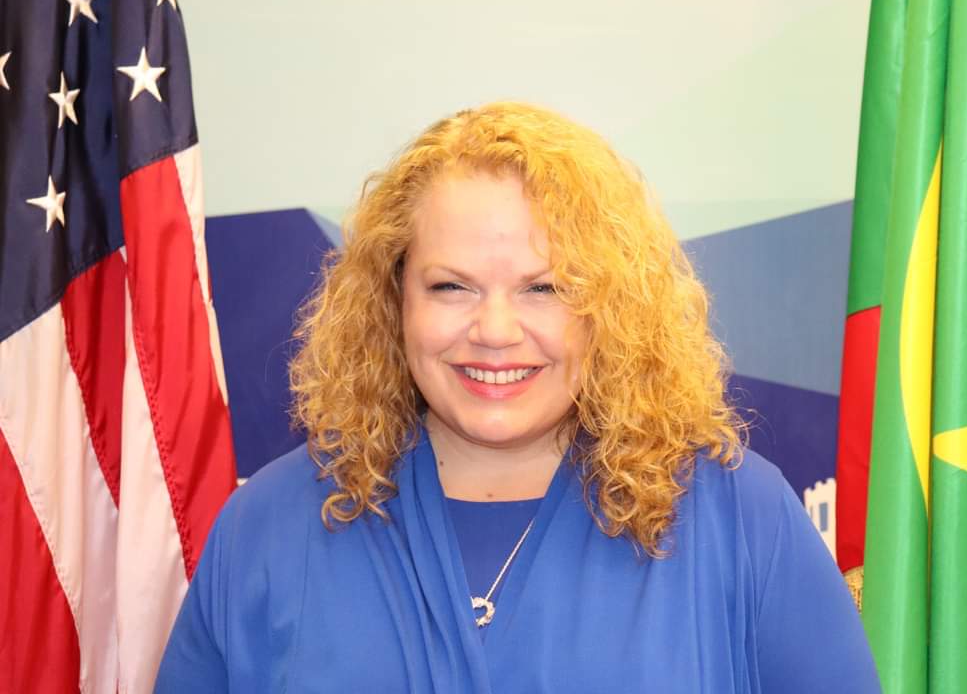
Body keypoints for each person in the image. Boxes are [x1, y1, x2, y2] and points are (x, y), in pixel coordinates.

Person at [155, 102, 880, 693]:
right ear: (392, 300)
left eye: (544, 288)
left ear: (609, 308)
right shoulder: (268, 528)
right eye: (451, 286)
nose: (495, 331)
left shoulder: (739, 519)